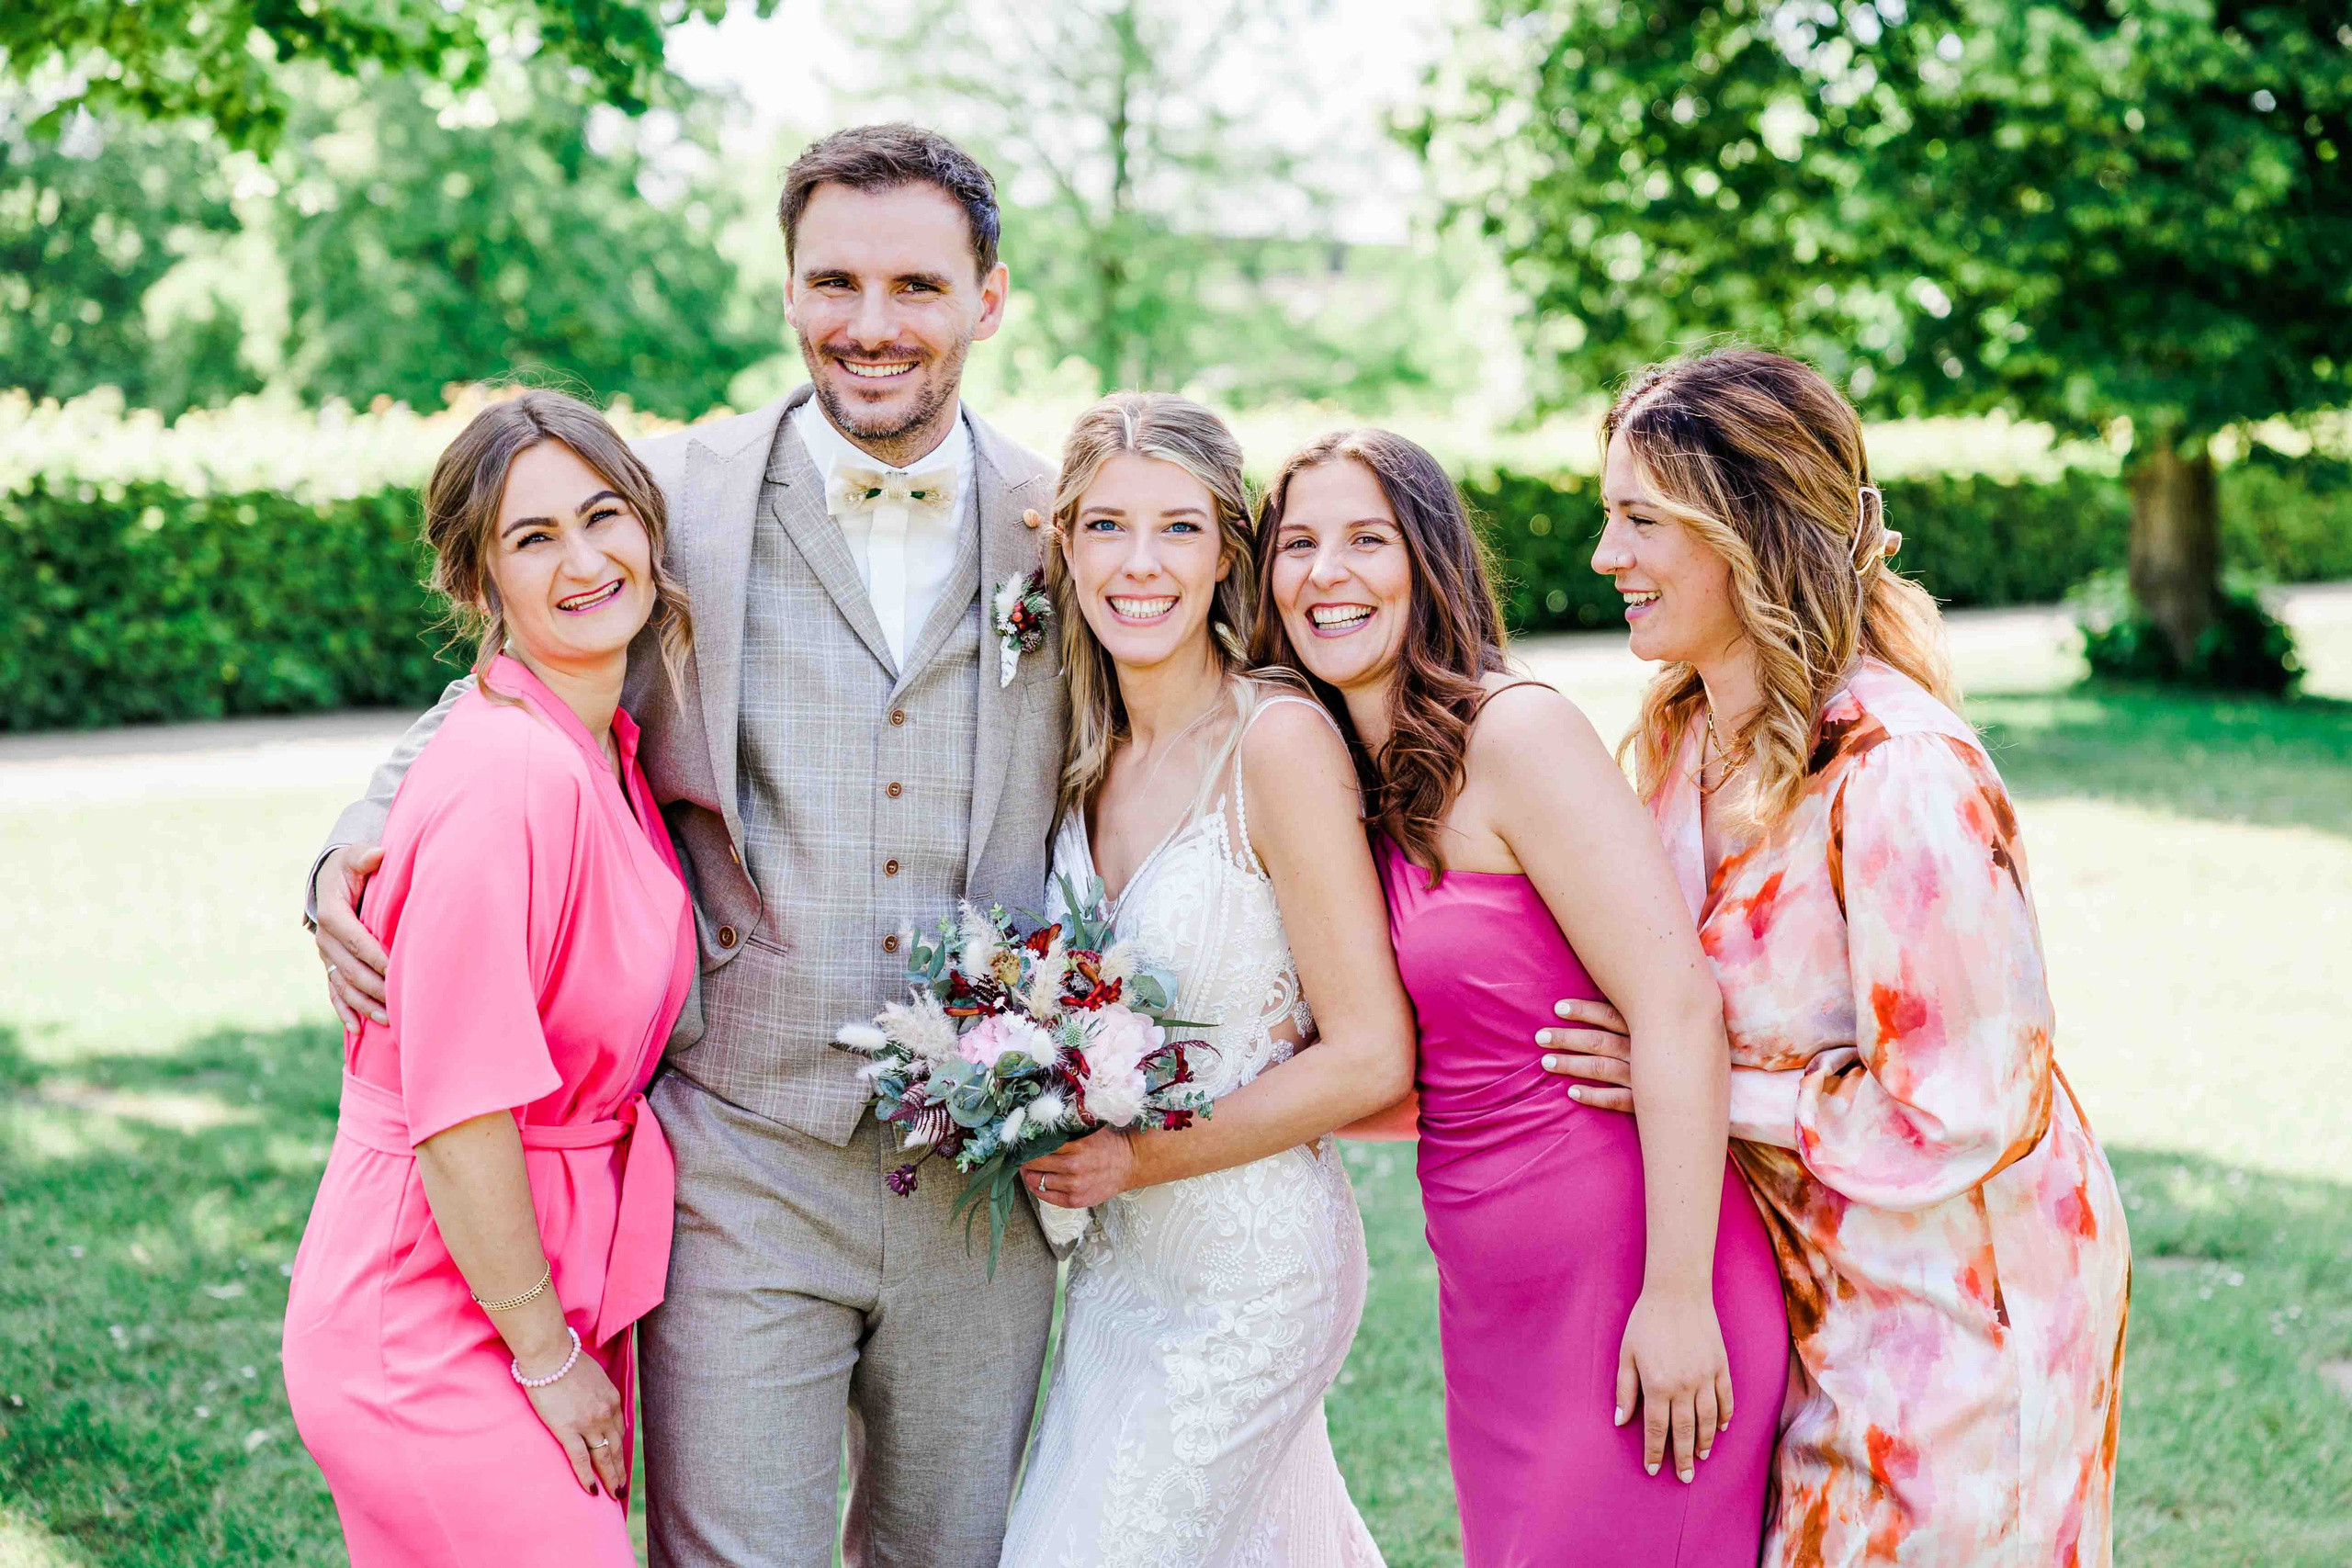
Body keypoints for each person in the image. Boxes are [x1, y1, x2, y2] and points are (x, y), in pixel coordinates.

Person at [302, 126, 1069, 1567]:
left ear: (989, 295)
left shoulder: (1068, 521)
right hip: (738, 1157)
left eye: (917, 284)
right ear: (788, 290)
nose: (872, 324)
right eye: (833, 281)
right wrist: (348, 845)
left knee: (952, 1552)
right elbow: (493, 683)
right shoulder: (670, 501)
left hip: (984, 1181)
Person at [1550, 346, 2132, 1566]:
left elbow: (1966, 1102)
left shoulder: (1899, 770)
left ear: (1750, 534)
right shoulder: (1670, 741)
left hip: (1960, 1307)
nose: (1605, 556)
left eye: (1640, 520)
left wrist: (1694, 1080)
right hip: (1802, 1289)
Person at [1250, 428, 1789, 1566]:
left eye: (1365, 540)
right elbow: (1410, 1063)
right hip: (1494, 1301)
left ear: (1429, 560)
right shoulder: (1352, 780)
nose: (1324, 573)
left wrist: (1677, 1297)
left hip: (1635, 1275)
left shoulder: (1517, 731)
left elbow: (1677, 1009)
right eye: (1296, 544)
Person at [1000, 393, 1415, 1566]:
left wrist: (1136, 1158)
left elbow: (1371, 1052)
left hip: (1254, 1276)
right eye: (1109, 529)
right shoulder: (1081, 756)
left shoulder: (1274, 740)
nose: (1142, 565)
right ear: (1065, 545)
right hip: (1121, 1277)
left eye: (1180, 529)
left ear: (1228, 552)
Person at [281, 389, 696, 1564]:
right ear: (477, 584)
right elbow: (458, 1115)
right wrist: (550, 1359)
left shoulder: (594, 746)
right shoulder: (508, 780)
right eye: (532, 538)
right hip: (427, 1319)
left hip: (524, 1281)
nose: (583, 560)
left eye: (603, 515)